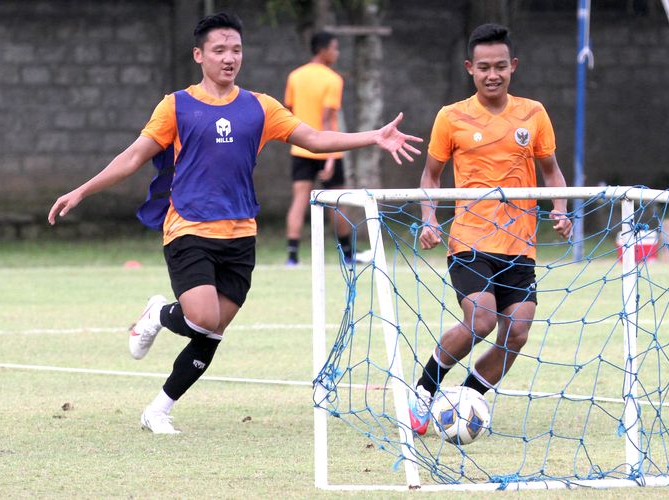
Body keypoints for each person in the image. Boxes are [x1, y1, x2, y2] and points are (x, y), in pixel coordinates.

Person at [48, 12, 422, 435]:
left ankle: (158, 410)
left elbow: (315, 140)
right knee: (204, 317)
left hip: (241, 232)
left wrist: (373, 136)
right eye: (219, 50)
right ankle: (157, 313)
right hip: (188, 227)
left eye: (236, 50)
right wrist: (82, 190)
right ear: (199, 55)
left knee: (213, 332)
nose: (229, 58)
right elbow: (133, 157)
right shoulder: (176, 105)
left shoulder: (260, 107)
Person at [407, 23, 572, 435]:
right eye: (484, 67)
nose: (492, 74)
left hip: (520, 245)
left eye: (500, 66)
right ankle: (426, 387)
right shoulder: (451, 117)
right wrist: (429, 220)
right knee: (480, 320)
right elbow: (431, 176)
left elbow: (552, 172)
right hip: (471, 241)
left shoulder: (533, 114)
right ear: (470, 68)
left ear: (513, 66)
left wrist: (562, 210)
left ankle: (466, 398)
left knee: (516, 332)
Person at [283, 31, 357, 266]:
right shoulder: (333, 79)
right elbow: (326, 121)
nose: (337, 53)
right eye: (335, 48)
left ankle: (292, 256)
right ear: (323, 50)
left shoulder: (295, 76)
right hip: (326, 149)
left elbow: (290, 112)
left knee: (299, 199)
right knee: (336, 201)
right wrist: (331, 158)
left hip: (301, 148)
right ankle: (347, 254)